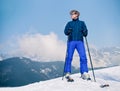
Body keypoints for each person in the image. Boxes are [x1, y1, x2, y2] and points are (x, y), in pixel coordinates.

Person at [64, 10, 91, 82]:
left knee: (83, 57)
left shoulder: (82, 23)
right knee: (69, 57)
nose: (71, 16)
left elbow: (86, 33)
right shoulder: (69, 23)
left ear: (77, 15)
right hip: (71, 41)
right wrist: (68, 31)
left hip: (80, 42)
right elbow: (65, 32)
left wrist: (85, 32)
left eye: (72, 14)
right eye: (71, 14)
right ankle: (67, 72)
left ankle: (84, 72)